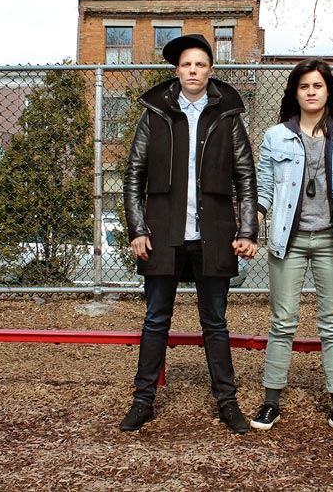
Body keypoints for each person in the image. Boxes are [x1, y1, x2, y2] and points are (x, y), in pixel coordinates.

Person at [120, 33, 258, 434]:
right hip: (163, 231)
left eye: (200, 64)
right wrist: (137, 228)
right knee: (155, 319)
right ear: (176, 71)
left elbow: (245, 178)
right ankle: (142, 401)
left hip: (213, 232)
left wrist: (247, 228)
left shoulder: (227, 114)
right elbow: (134, 175)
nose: (193, 71)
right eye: (186, 65)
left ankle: (228, 403)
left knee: (214, 322)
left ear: (210, 70)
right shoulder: (155, 113)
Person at [251, 58, 333, 441]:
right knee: (283, 321)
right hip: (288, 241)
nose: (310, 91)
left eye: (317, 85)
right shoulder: (276, 136)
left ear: (328, 91)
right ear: (295, 92)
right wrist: (251, 226)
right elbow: (264, 187)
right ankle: (271, 400)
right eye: (304, 85)